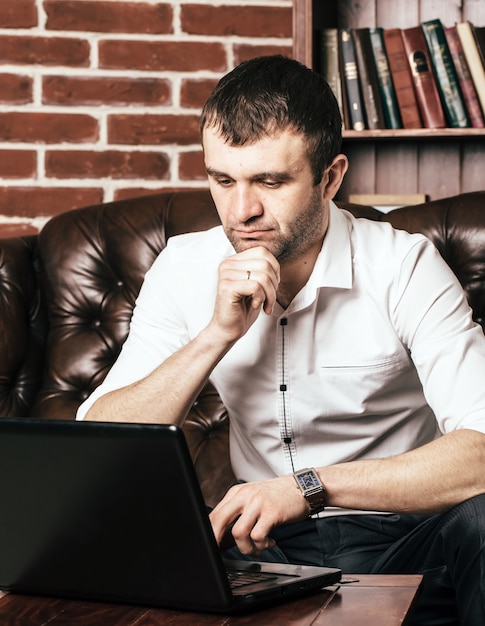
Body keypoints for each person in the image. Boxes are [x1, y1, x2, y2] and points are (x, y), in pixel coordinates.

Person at [77, 55, 485, 624]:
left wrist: (309, 487)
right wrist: (216, 335)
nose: (242, 211)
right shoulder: (183, 267)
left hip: (403, 538)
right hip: (258, 550)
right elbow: (97, 448)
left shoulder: (404, 266)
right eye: (223, 180)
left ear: (331, 177)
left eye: (270, 181)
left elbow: (482, 452)